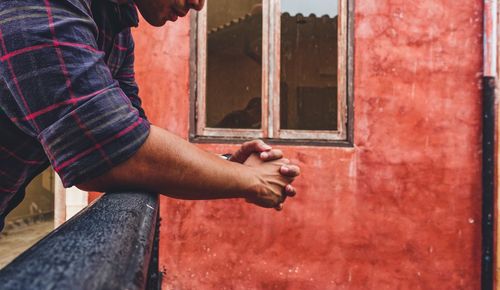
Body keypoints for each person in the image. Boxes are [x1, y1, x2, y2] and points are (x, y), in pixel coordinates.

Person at [0, 0, 300, 231]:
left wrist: (224, 166)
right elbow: (104, 151)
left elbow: (131, 134)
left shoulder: (115, 27)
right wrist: (251, 180)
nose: (199, 4)